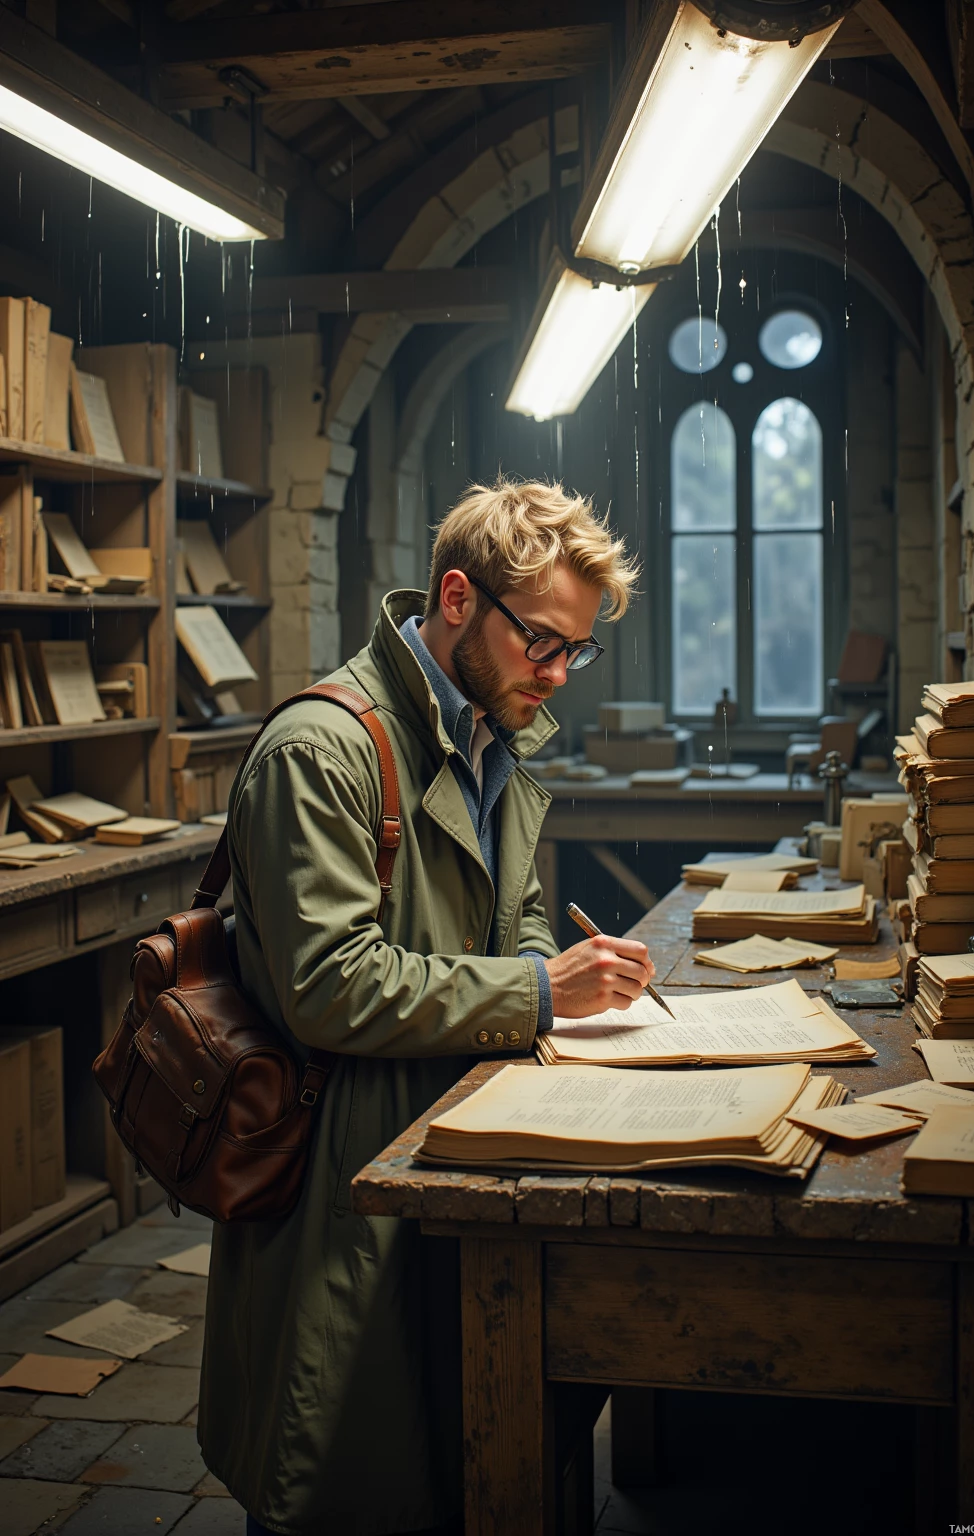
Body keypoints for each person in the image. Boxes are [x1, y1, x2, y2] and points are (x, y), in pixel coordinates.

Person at [198, 477, 653, 1535]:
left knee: (464, 1452)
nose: (556, 676)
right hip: (340, 1168)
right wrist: (541, 993)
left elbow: (522, 910)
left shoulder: (491, 730)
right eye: (541, 643)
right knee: (341, 1474)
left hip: (448, 1131)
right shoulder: (323, 750)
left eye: (574, 654)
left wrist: (551, 978)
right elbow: (330, 985)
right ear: (457, 598)